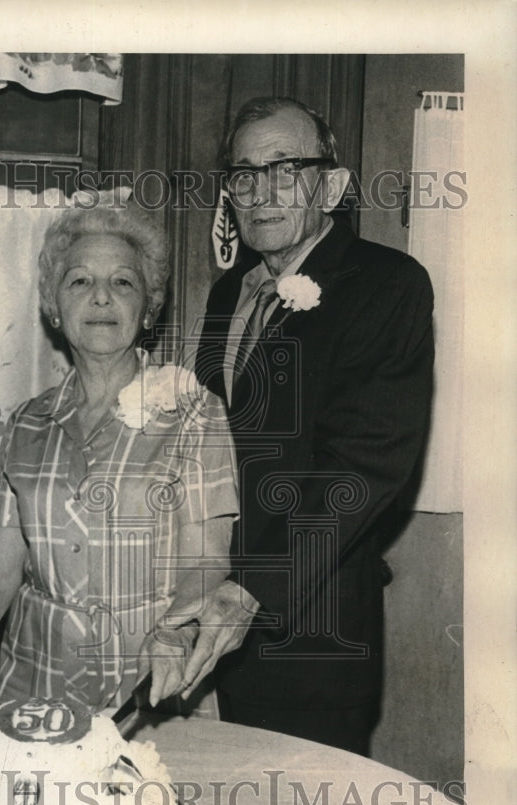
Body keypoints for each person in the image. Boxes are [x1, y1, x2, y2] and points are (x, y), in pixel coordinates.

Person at [0, 190, 238, 722]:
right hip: (36, 690)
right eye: (80, 281)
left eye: (122, 282)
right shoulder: (27, 424)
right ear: (54, 307)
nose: (101, 297)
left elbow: (208, 559)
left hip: (154, 692)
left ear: (148, 308)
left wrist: (177, 631)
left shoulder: (196, 413)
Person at [179, 97, 434, 756]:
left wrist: (251, 593)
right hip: (207, 625)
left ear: (332, 185)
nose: (260, 191)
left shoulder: (386, 284)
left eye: (284, 169)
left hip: (312, 636)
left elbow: (364, 465)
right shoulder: (224, 293)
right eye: (242, 173)